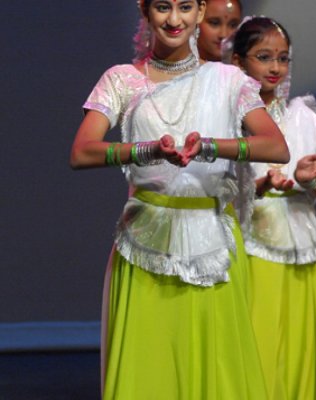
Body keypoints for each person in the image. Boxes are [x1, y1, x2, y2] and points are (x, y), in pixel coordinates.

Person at [70, 1, 290, 399]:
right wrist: (147, 150)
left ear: (201, 10)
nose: (174, 20)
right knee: (148, 371)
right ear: (145, 10)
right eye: (163, 7)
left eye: (186, 7)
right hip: (145, 244)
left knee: (218, 371)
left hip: (214, 246)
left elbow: (275, 146)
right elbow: (82, 151)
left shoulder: (227, 80)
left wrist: (209, 146)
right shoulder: (122, 80)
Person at [230, 17, 316, 399]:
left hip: (298, 244)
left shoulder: (302, 118)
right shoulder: (229, 120)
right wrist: (258, 186)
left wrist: (307, 178)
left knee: (297, 345)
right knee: (259, 342)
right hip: (251, 245)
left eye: (283, 58)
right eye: (264, 57)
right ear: (239, 62)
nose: (275, 67)